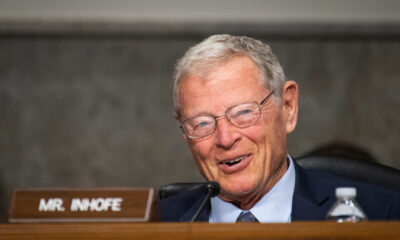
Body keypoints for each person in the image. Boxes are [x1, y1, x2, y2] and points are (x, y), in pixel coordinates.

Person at [158, 34, 400, 222]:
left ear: (288, 106)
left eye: (244, 112)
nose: (225, 138)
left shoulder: (383, 213)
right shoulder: (153, 224)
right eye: (202, 123)